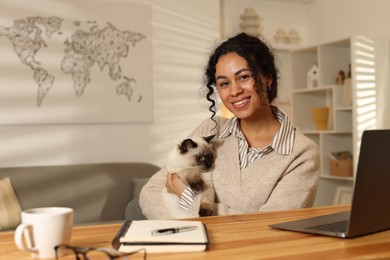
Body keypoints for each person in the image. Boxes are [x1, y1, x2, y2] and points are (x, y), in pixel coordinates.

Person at [139, 33, 319, 219]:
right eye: (224, 83)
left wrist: (188, 197)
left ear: (267, 77)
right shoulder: (210, 130)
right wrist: (183, 233)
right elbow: (150, 191)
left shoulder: (302, 153)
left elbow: (271, 225)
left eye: (243, 77)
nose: (235, 91)